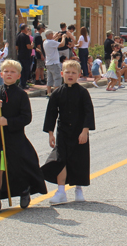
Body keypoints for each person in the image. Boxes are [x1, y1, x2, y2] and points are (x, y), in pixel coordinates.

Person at [0, 59, 47, 214]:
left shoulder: (21, 95)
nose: (9, 74)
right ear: (1, 74)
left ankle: (24, 190)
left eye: (12, 72)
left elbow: (26, 117)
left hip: (14, 136)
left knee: (19, 165)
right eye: (6, 71)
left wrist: (8, 122)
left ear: (18, 76)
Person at [42, 60, 95, 204]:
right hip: (63, 132)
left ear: (78, 75)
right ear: (62, 74)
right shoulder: (57, 93)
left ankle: (78, 189)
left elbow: (88, 113)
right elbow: (51, 114)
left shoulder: (83, 93)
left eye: (73, 73)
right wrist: (50, 133)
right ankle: (61, 191)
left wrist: (85, 131)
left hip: (79, 132)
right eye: (67, 72)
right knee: (61, 160)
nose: (70, 75)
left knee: (79, 159)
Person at [43, 30, 67, 98]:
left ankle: (49, 93)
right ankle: (57, 94)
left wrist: (57, 37)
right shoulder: (51, 42)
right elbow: (62, 44)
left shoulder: (45, 42)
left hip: (48, 63)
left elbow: (54, 42)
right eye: (52, 34)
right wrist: (63, 37)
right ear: (49, 34)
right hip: (54, 63)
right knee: (57, 78)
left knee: (50, 79)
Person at [15, 24, 33, 90]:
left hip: (20, 55)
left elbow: (16, 47)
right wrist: (32, 46)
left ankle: (21, 83)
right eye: (27, 28)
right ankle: (23, 84)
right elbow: (28, 46)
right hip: (26, 56)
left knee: (22, 70)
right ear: (25, 29)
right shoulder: (26, 37)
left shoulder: (18, 36)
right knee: (26, 70)